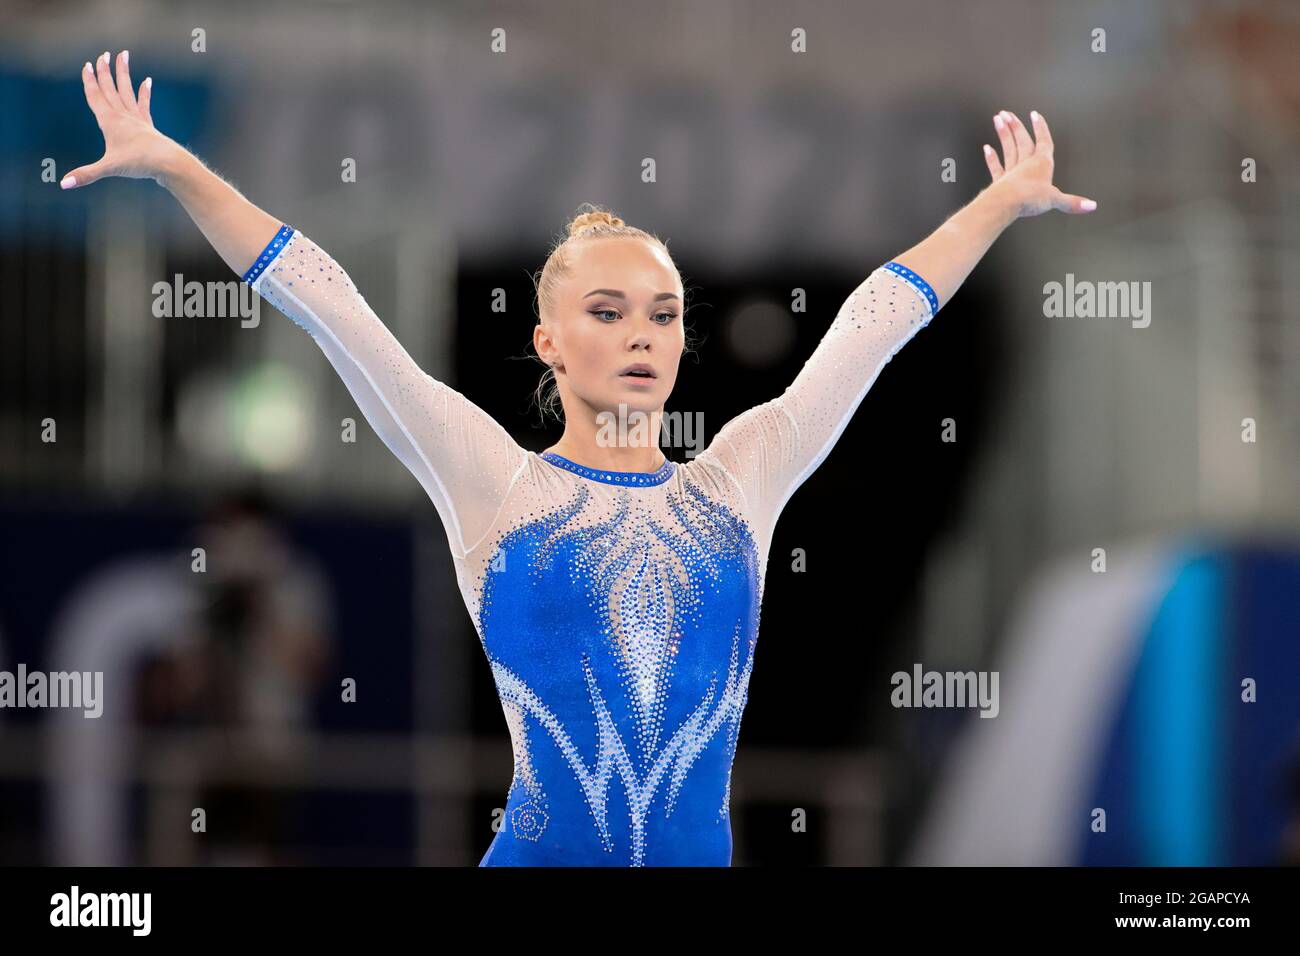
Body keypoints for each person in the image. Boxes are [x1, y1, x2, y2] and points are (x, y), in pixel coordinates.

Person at [63, 50, 1095, 866]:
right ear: (549, 342)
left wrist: (996, 203)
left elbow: (876, 318)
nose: (641, 332)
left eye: (663, 313)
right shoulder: (497, 480)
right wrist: (178, 164)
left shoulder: (739, 481)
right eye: (606, 311)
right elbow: (326, 298)